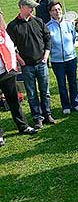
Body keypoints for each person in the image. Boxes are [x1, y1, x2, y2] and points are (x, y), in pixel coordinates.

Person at [7, 0, 56, 129]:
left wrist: (46, 55)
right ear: (22, 7)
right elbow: (10, 46)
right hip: (27, 65)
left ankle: (47, 114)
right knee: (32, 93)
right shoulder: (13, 26)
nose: (33, 9)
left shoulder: (39, 22)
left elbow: (47, 39)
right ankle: (37, 117)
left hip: (41, 62)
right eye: (30, 7)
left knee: (45, 91)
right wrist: (20, 60)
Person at [0, 10, 38, 145]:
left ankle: (23, 126)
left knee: (14, 101)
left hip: (7, 72)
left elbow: (11, 48)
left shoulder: (3, 33)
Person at [47, 1, 78, 115]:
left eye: (59, 9)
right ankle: (66, 105)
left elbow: (73, 38)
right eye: (54, 10)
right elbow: (48, 44)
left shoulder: (69, 24)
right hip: (57, 61)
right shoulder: (48, 27)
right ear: (50, 13)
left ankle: (76, 103)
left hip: (71, 58)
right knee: (62, 84)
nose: (57, 12)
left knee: (73, 82)